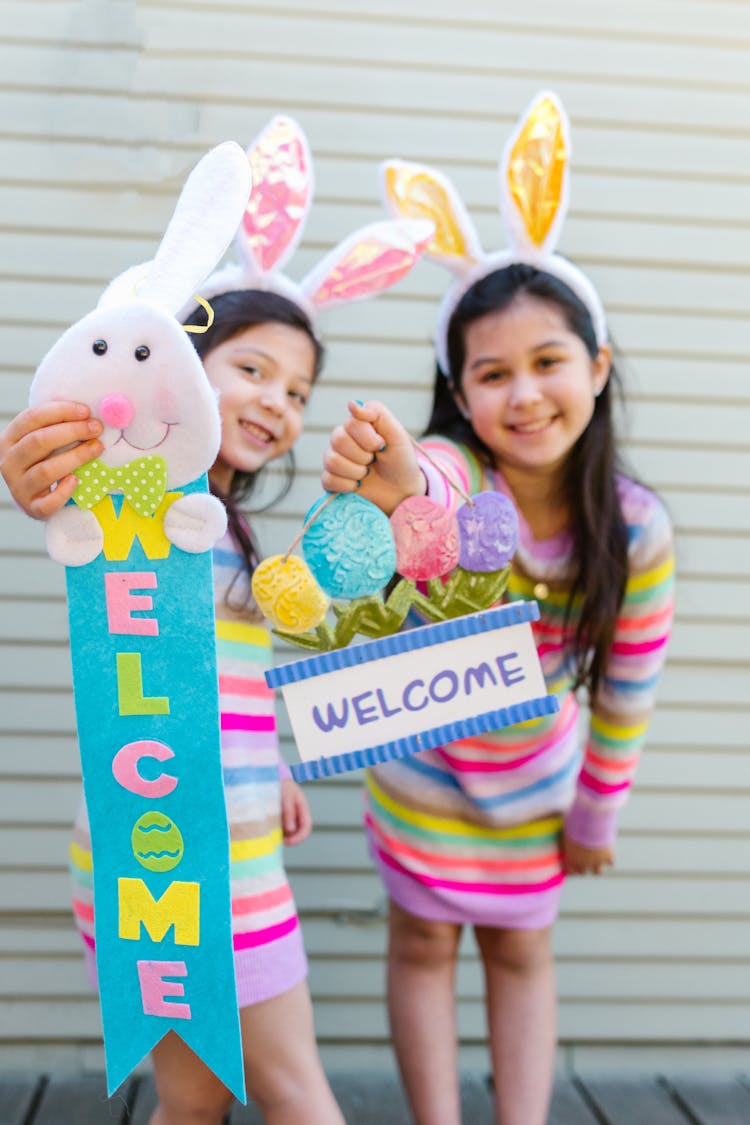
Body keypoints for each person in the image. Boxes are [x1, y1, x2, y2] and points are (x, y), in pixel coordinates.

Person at [320, 96, 675, 1125]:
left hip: (539, 794)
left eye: (548, 362)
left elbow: (631, 683)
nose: (523, 394)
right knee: (421, 944)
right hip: (422, 774)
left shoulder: (635, 528)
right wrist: (394, 482)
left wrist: (597, 809)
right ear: (459, 393)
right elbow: (423, 492)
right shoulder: (448, 470)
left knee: (523, 950)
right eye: (492, 373)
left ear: (597, 370)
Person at [1, 286, 345, 1125]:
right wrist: (37, 470)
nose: (278, 400)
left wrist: (273, 769)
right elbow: (59, 487)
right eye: (254, 368)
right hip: (189, 860)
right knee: (296, 1093)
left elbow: (221, 678)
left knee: (192, 1099)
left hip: (170, 844)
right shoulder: (142, 495)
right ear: (181, 363)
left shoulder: (221, 523)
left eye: (298, 391)